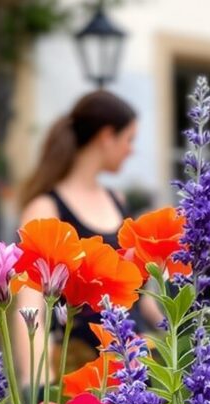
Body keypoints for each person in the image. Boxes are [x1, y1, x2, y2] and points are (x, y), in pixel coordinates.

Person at [15, 90, 139, 373]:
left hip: (132, 364)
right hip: (77, 369)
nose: (132, 150)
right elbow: (30, 305)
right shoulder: (45, 208)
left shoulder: (118, 200)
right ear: (107, 136)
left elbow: (139, 292)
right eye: (129, 139)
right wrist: (38, 381)